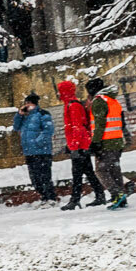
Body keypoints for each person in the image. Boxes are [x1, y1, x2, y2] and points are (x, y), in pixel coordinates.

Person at [56, 79, 104, 209]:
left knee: (77, 174)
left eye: (60, 91)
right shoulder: (70, 104)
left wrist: (75, 146)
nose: (58, 94)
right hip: (79, 144)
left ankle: (75, 200)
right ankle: (99, 195)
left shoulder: (73, 105)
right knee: (87, 172)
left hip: (80, 145)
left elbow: (78, 127)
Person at [87, 79, 131, 209]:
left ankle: (116, 194)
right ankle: (121, 197)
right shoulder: (113, 101)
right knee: (114, 169)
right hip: (117, 140)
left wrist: (95, 142)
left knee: (101, 170)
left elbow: (100, 124)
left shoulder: (99, 101)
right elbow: (122, 123)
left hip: (106, 141)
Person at [13, 92, 58, 205]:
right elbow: (16, 127)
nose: (26, 106)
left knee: (44, 176)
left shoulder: (43, 114)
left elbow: (48, 130)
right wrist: (19, 114)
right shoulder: (25, 117)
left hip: (42, 151)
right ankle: (44, 197)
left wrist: (37, 142)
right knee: (35, 178)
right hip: (29, 152)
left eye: (28, 103)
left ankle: (50, 197)